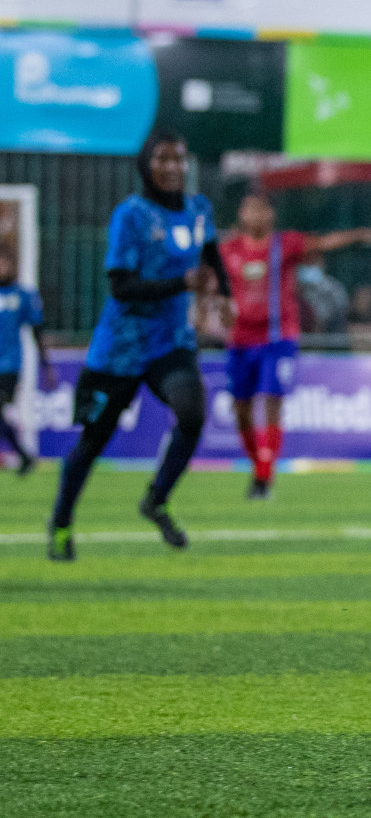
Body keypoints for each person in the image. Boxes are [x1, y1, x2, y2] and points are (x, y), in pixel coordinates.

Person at [48, 130, 231, 562]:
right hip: (121, 350)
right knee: (93, 443)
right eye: (163, 159)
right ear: (146, 165)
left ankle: (156, 499)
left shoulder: (199, 209)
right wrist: (181, 283)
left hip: (171, 343)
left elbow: (212, 257)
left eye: (180, 159)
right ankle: (60, 524)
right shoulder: (130, 215)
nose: (172, 167)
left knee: (192, 414)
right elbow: (121, 287)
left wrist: (223, 295)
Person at [219, 192, 371, 499]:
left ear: (270, 215)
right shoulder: (228, 250)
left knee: (273, 401)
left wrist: (359, 235)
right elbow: (208, 281)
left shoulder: (283, 244)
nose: (253, 214)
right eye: (248, 208)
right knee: (241, 409)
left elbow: (322, 244)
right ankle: (257, 467)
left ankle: (264, 478)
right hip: (239, 340)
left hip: (278, 340)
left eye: (260, 208)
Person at [0, 247, 53, 475]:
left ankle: (22, 455)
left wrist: (46, 365)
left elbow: (37, 331)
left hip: (8, 365)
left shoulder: (23, 295)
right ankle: (23, 456)